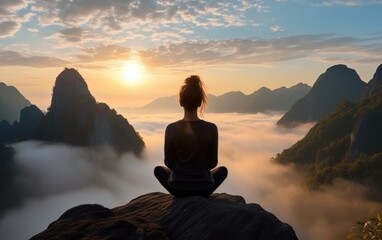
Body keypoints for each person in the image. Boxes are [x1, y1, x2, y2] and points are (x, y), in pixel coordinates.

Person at [154, 75, 228, 197]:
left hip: (178, 189)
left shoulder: (171, 128)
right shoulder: (211, 128)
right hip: (204, 189)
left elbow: (168, 162)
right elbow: (213, 163)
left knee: (158, 170)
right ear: (200, 102)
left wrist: (182, 172)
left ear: (181, 102)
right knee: (223, 171)